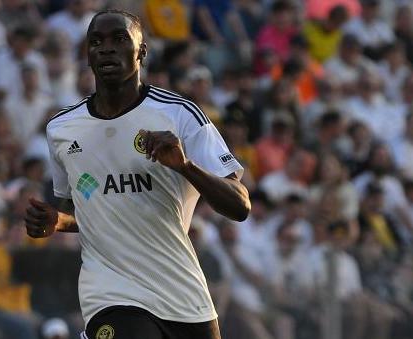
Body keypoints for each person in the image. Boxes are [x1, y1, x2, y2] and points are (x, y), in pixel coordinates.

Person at [25, 9, 250, 339]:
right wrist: (57, 221)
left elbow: (240, 205)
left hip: (182, 294)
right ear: (87, 55)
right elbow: (90, 211)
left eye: (119, 39)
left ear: (141, 51)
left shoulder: (179, 115)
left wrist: (185, 166)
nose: (106, 48)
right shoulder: (62, 129)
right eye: (96, 42)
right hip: (110, 293)